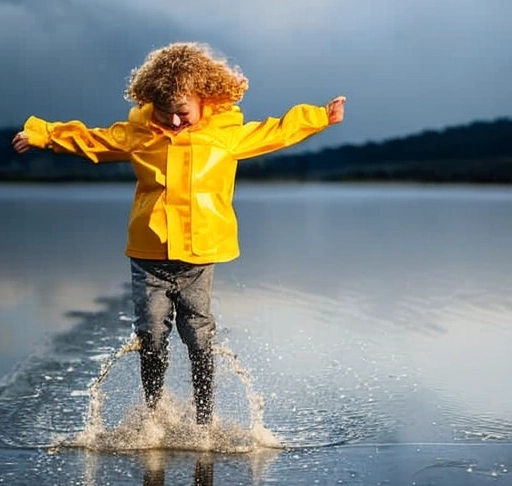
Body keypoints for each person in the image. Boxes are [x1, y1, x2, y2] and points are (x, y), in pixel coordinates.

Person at [12, 41, 347, 426]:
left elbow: (279, 131)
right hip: (149, 253)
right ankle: (154, 415)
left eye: (182, 113)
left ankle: (204, 419)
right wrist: (43, 134)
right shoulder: (141, 135)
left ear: (203, 100)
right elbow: (91, 140)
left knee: (198, 336)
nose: (173, 121)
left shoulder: (226, 134)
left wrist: (321, 116)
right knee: (152, 336)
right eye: (165, 113)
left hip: (199, 254)